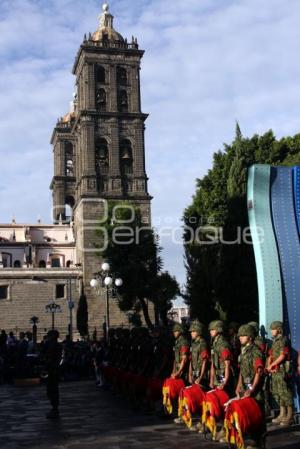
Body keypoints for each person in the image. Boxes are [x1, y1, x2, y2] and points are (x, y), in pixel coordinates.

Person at [235, 324, 265, 449]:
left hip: (255, 391)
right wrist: (238, 386)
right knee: (248, 416)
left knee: (257, 417)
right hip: (246, 389)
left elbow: (259, 371)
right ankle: (252, 441)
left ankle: (258, 443)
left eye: (243, 335)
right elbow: (242, 371)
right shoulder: (243, 351)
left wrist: (251, 389)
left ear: (250, 337)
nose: (240, 338)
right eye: (240, 335)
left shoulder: (255, 351)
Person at [267, 321, 293, 426]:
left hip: (282, 370)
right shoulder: (275, 341)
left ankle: (289, 416)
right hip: (276, 370)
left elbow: (283, 356)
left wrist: (272, 364)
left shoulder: (283, 340)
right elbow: (271, 354)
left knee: (285, 393)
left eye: (273, 329)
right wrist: (269, 365)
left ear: (278, 329)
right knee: (278, 392)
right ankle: (282, 414)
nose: (272, 331)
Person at [44, 330, 62, 419]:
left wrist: (47, 366)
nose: (48, 337)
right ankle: (54, 408)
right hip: (53, 370)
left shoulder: (54, 346)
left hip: (52, 370)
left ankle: (55, 409)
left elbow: (50, 358)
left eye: (49, 335)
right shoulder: (56, 345)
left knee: (52, 390)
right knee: (52, 390)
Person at [188, 320, 209, 387]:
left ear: (199, 332)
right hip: (194, 374)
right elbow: (191, 360)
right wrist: (189, 374)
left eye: (193, 331)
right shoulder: (193, 343)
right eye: (191, 331)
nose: (191, 333)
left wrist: (200, 377)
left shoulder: (202, 343)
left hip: (202, 376)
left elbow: (204, 361)